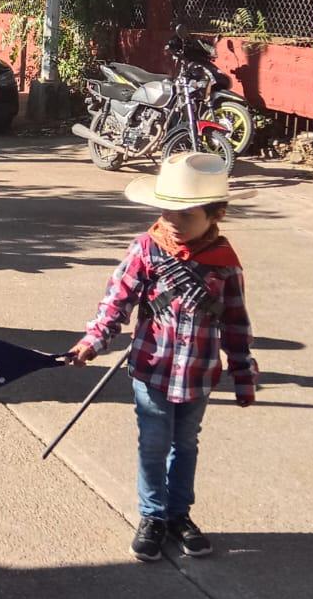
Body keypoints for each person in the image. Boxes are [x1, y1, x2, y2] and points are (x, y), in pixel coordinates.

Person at [65, 152, 257, 564]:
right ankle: (152, 516)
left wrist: (244, 375)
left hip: (199, 374)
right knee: (153, 444)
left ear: (213, 214)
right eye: (166, 210)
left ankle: (178, 515)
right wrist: (93, 341)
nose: (172, 220)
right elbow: (116, 302)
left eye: (185, 214)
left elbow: (237, 325)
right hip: (152, 370)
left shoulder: (225, 266)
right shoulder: (146, 250)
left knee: (185, 443)